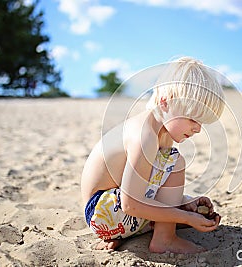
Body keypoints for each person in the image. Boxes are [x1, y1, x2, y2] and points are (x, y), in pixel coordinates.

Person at [81, 57, 225, 253]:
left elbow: (143, 189)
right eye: (192, 118)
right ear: (165, 102)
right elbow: (131, 204)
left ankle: (140, 231)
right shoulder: (144, 136)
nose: (198, 129)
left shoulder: (161, 135)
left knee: (189, 206)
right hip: (104, 211)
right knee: (176, 162)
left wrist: (184, 202)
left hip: (111, 213)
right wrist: (183, 217)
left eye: (202, 123)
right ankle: (165, 239)